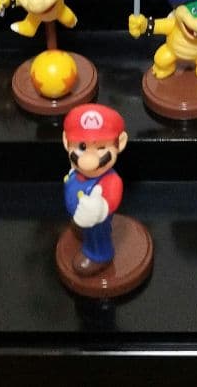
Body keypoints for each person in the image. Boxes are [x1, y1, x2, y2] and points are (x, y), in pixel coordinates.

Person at [62, 104, 128, 276]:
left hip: (97, 219)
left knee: (97, 232)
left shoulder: (110, 180)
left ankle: (99, 255)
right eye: (82, 147)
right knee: (84, 226)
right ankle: (82, 229)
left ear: (120, 143)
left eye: (101, 148)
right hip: (80, 214)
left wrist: (98, 209)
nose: (89, 160)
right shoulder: (76, 171)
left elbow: (111, 201)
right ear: (66, 141)